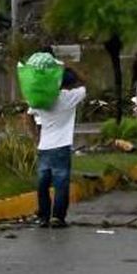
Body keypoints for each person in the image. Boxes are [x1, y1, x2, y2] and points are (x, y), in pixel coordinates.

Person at [28, 63, 86, 228]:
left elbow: (28, 115)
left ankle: (43, 216)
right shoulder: (70, 97)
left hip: (44, 146)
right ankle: (58, 217)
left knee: (43, 183)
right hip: (62, 146)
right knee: (61, 183)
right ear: (69, 84)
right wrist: (71, 67)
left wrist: (35, 137)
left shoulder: (43, 98)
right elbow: (85, 84)